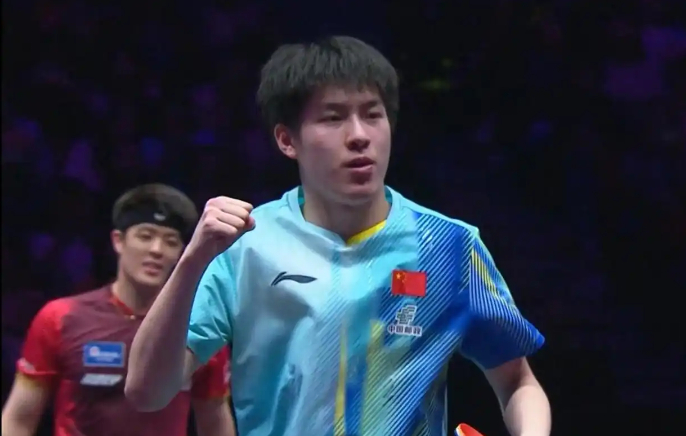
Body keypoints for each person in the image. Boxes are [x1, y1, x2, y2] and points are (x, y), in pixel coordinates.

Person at [125, 37, 552, 436]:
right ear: (287, 140)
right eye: (333, 118)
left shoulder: (448, 246)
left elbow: (517, 382)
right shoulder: (245, 244)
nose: (359, 136)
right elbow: (147, 392)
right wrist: (192, 260)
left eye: (373, 114)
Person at [1, 184, 235, 436]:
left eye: (170, 241)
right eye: (145, 236)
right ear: (118, 241)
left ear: (181, 252)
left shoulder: (200, 328)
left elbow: (215, 422)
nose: (156, 250)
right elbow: (18, 420)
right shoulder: (60, 317)